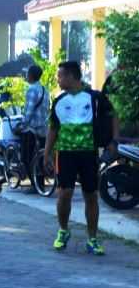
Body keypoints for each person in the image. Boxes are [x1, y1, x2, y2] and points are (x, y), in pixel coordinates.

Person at [44, 61, 118, 256]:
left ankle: (92, 239)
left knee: (91, 195)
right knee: (64, 193)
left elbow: (113, 116)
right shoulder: (59, 101)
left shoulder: (95, 97)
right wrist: (47, 154)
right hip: (65, 154)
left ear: (71, 77)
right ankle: (63, 231)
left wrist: (114, 140)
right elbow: (53, 128)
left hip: (89, 153)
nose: (58, 80)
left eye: (60, 76)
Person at [20, 65, 49, 189]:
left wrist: (21, 125)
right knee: (41, 157)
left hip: (31, 129)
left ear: (31, 75)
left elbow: (29, 111)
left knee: (27, 157)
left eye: (27, 74)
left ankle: (34, 185)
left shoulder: (32, 90)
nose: (26, 76)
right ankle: (40, 184)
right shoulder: (44, 89)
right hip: (43, 128)